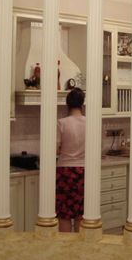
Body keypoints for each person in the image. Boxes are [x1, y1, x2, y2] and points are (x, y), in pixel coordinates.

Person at [56, 88, 86, 232]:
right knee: (81, 214)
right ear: (82, 103)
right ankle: (80, 249)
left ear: (67, 104)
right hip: (83, 171)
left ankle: (66, 249)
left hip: (65, 171)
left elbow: (56, 149)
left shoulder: (62, 123)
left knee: (65, 215)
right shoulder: (90, 122)